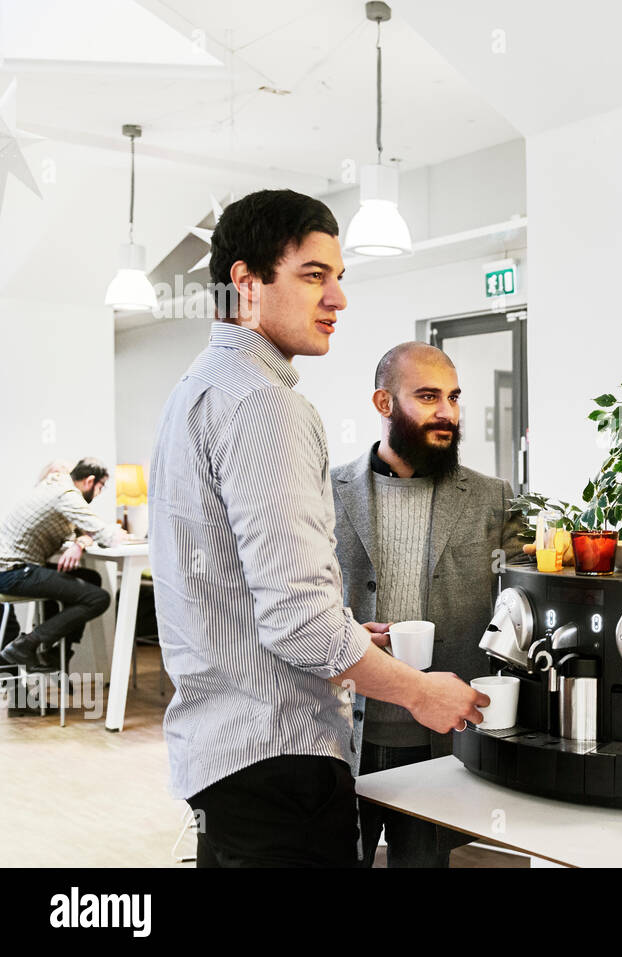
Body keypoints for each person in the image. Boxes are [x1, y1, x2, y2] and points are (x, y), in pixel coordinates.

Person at [149, 189, 490, 868]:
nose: (338, 298)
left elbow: (228, 586)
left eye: (340, 278)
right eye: (314, 275)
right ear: (247, 285)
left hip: (219, 761)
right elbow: (300, 623)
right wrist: (422, 691)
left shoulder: (194, 391)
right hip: (282, 763)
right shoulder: (268, 406)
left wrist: (340, 631)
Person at [332, 341, 528, 867]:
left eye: (454, 397)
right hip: (342, 733)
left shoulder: (493, 497)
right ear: (384, 403)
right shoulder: (325, 490)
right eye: (427, 396)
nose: (447, 412)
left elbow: (522, 599)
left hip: (443, 735)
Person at [0, 457, 119, 671]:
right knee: (98, 598)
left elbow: (85, 533)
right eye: (100, 487)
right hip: (13, 571)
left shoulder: (55, 488)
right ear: (90, 481)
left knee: (91, 579)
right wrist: (120, 535)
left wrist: (79, 544)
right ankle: (27, 645)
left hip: (18, 568)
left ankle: (56, 653)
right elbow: (103, 533)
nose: (99, 493)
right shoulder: (66, 494)